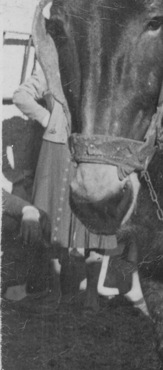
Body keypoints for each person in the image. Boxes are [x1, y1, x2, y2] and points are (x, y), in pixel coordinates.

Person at [13, 64, 117, 308]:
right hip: (57, 149)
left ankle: (91, 295)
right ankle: (56, 291)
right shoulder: (53, 65)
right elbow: (21, 95)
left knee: (96, 223)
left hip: (94, 149)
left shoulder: (102, 61)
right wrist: (48, 119)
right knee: (52, 221)